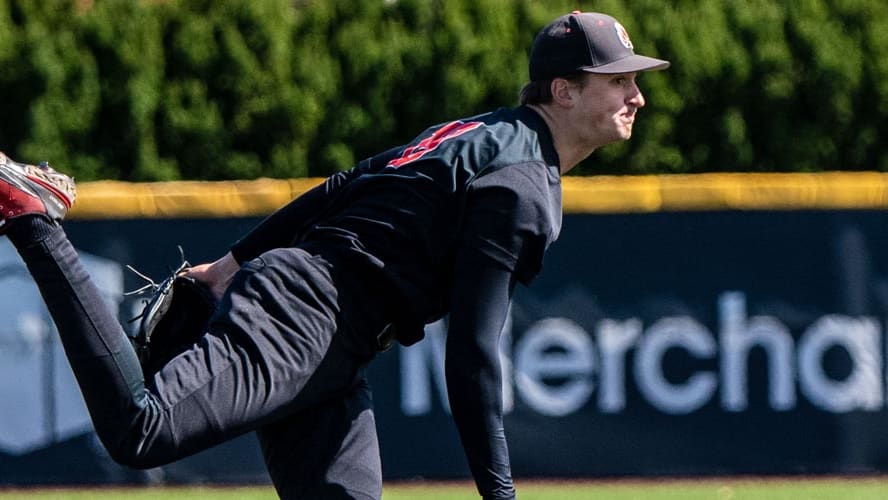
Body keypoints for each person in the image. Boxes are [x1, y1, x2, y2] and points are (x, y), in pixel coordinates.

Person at [0, 11, 668, 500]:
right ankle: (32, 219)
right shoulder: (522, 185)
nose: (636, 94)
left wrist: (232, 265)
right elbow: (472, 354)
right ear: (564, 91)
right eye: (618, 81)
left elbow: (347, 184)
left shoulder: (481, 132)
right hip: (308, 316)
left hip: (328, 333)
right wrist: (500, 492)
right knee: (140, 430)